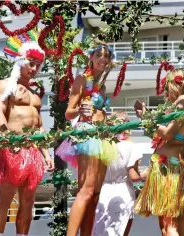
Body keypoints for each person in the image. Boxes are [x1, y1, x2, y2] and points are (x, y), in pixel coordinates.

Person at [0, 31, 54, 236]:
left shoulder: (35, 94)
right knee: (4, 199)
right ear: (19, 61)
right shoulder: (5, 85)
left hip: (32, 151)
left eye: (38, 65)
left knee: (29, 201)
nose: (34, 68)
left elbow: (39, 125)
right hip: (11, 148)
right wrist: (6, 136)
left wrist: (46, 154)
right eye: (30, 63)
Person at [56, 40, 117, 236]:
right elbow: (68, 113)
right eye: (99, 55)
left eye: (106, 56)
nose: (103, 59)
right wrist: (80, 109)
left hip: (101, 136)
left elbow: (102, 112)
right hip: (87, 134)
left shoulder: (102, 85)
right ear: (91, 57)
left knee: (95, 195)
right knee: (86, 191)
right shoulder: (82, 79)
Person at [134, 68, 184, 236]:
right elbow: (173, 136)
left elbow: (167, 133)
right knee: (176, 220)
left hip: (167, 167)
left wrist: (145, 117)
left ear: (175, 85)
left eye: (167, 89)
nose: (166, 94)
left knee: (169, 224)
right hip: (177, 166)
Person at [92, 111, 148, 236]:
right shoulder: (131, 146)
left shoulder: (104, 146)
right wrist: (146, 173)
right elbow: (134, 177)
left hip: (105, 191)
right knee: (121, 231)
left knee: (102, 230)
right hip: (123, 192)